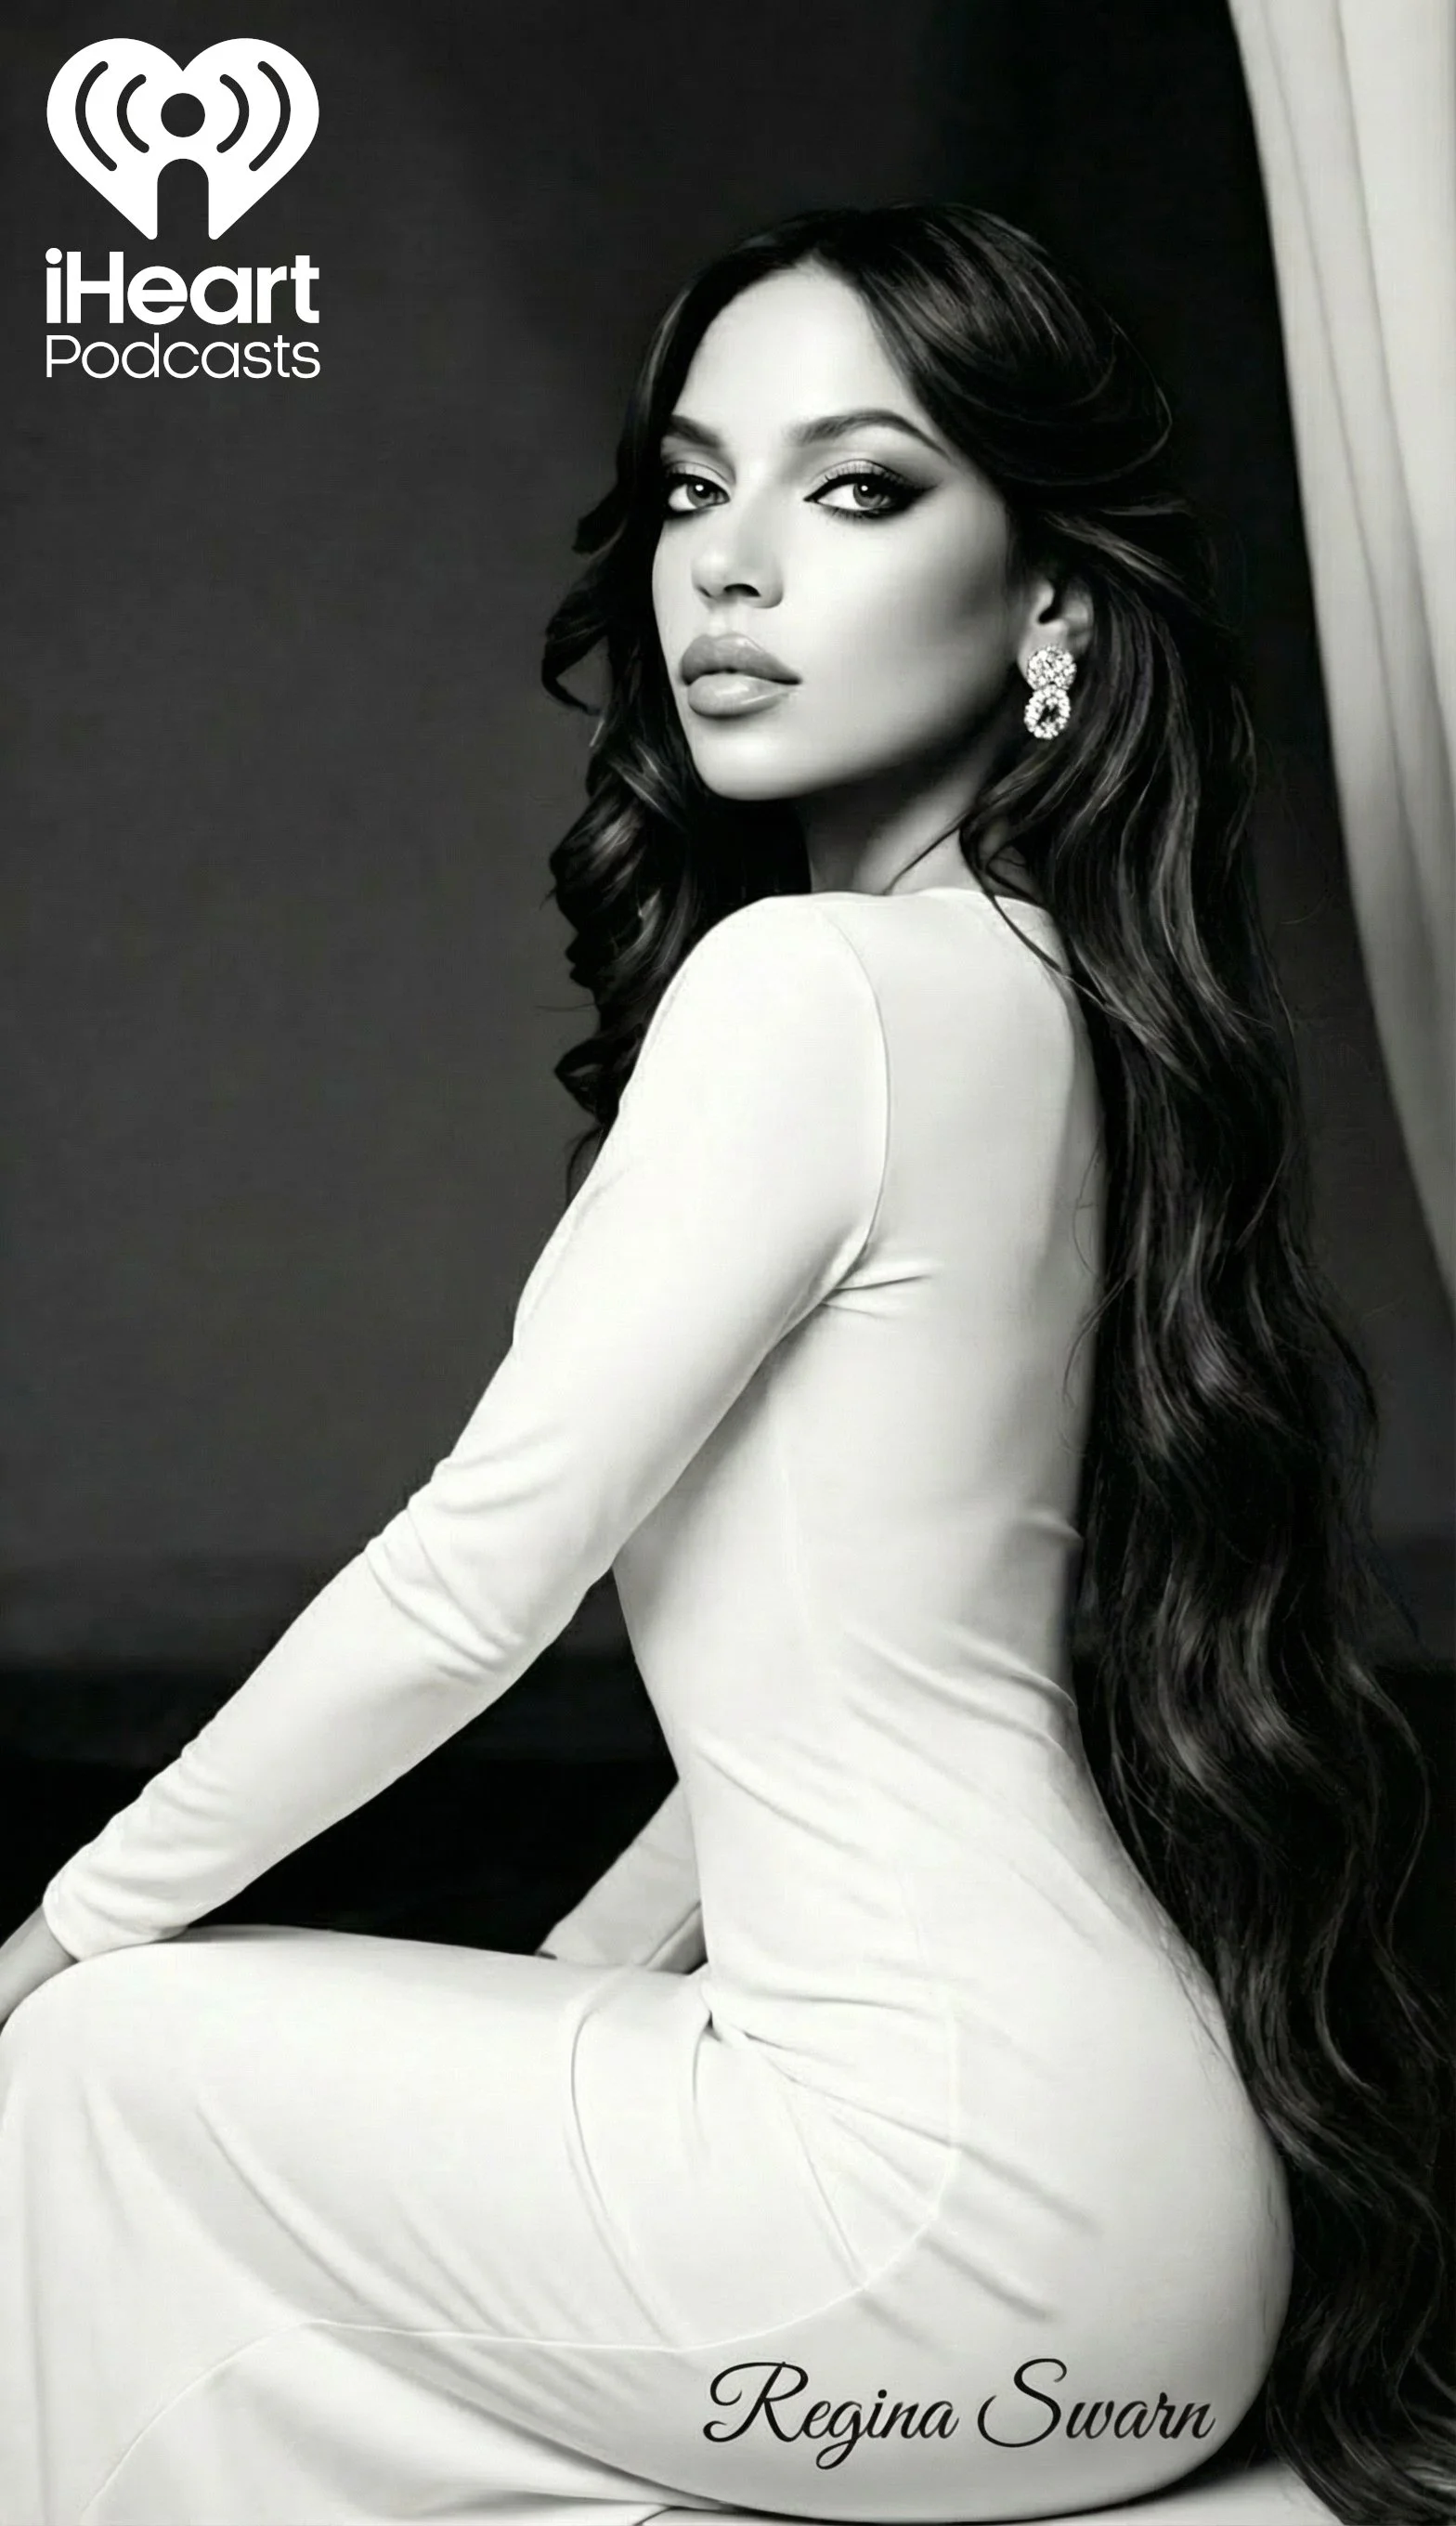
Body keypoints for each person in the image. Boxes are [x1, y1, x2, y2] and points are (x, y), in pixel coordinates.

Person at [0, 202, 1450, 2526]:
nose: (733, 570)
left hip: (938, 2235)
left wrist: (59, 1929)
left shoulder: (813, 994)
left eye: (858, 489)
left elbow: (478, 1575)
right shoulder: (1046, 999)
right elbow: (857, 1659)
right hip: (1137, 2245)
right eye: (693, 488)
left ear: (1052, 611)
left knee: (93, 2072)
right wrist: (583, 1988)